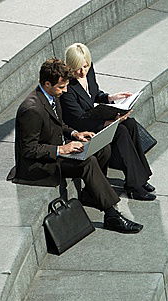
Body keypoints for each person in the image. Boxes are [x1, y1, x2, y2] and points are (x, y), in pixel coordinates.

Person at [8, 58, 142, 234]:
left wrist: (74, 134)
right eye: (61, 87)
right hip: (39, 165)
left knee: (102, 148)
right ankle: (112, 215)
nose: (65, 91)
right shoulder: (31, 109)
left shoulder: (51, 95)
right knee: (87, 162)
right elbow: (29, 149)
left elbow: (59, 123)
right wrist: (61, 149)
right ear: (47, 83)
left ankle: (92, 194)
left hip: (56, 152)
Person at [60, 43, 156, 201]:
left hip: (93, 116)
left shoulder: (88, 71)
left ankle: (140, 177)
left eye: (85, 66)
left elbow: (94, 94)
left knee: (130, 124)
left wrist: (112, 98)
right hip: (83, 128)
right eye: (77, 68)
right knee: (120, 130)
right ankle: (134, 186)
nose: (82, 71)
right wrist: (110, 122)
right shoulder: (67, 87)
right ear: (69, 65)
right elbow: (79, 119)